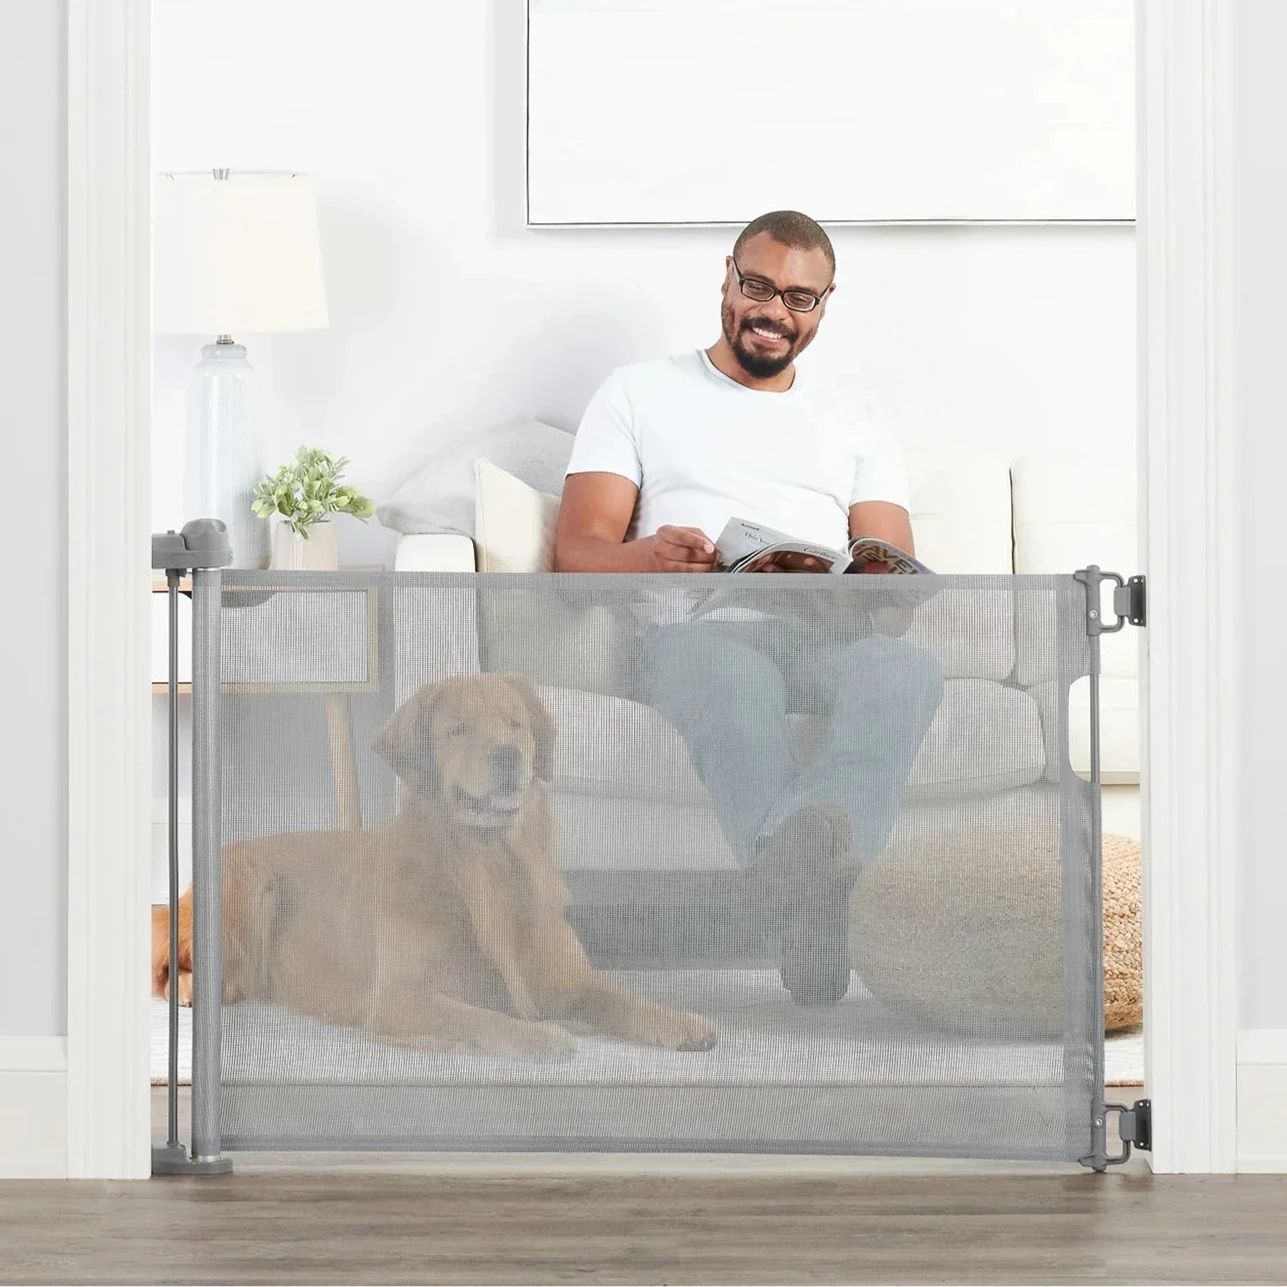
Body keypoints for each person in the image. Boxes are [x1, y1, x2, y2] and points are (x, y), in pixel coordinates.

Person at [553, 210, 943, 893]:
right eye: (757, 286)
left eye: (798, 297)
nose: (773, 311)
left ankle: (797, 889)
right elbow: (575, 551)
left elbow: (892, 592)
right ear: (726, 281)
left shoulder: (856, 421)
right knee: (737, 686)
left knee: (904, 670)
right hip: (699, 636)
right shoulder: (637, 392)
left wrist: (870, 591)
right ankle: (822, 888)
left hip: (825, 636)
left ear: (822, 307)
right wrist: (650, 557)